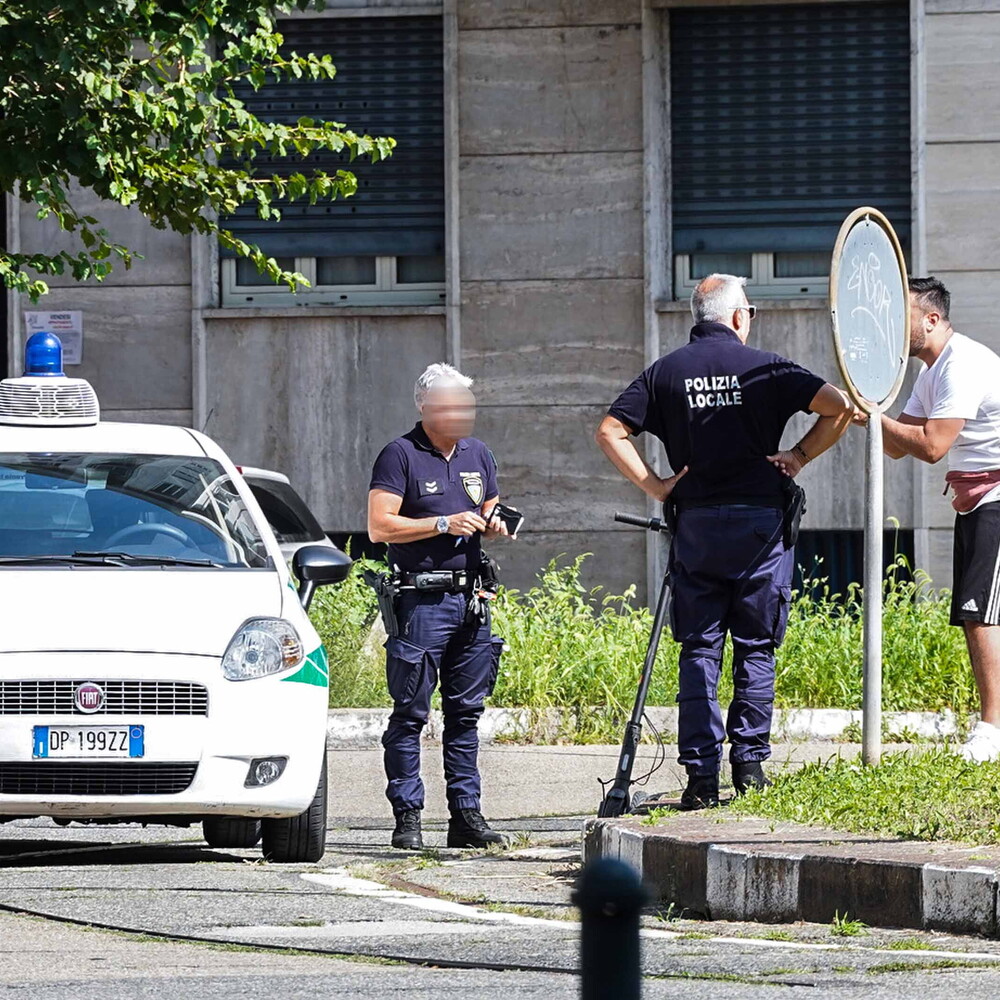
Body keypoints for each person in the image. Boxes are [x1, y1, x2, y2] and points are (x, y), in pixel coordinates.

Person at [596, 274, 853, 809]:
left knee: (700, 648)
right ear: (739, 316)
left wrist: (655, 485)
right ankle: (751, 767)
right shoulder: (768, 367)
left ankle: (701, 778)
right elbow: (840, 407)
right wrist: (799, 457)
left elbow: (610, 431)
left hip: (697, 527)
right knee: (756, 645)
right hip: (760, 526)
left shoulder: (665, 372)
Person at [367, 363, 515, 848]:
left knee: (466, 714)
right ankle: (408, 817)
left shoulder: (479, 453)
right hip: (421, 600)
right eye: (451, 406)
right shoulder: (400, 455)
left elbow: (490, 505)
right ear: (425, 407)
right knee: (411, 713)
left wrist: (495, 524)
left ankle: (466, 817)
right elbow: (380, 527)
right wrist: (440, 525)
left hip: (471, 599)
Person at [856, 276, 1000, 763]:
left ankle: (991, 728)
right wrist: (868, 414)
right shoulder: (930, 372)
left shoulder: (962, 364)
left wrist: (876, 417)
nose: (895, 327)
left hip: (997, 494)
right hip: (975, 497)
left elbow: (933, 446)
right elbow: (900, 447)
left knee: (980, 613)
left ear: (932, 319)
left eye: (904, 317)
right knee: (973, 613)